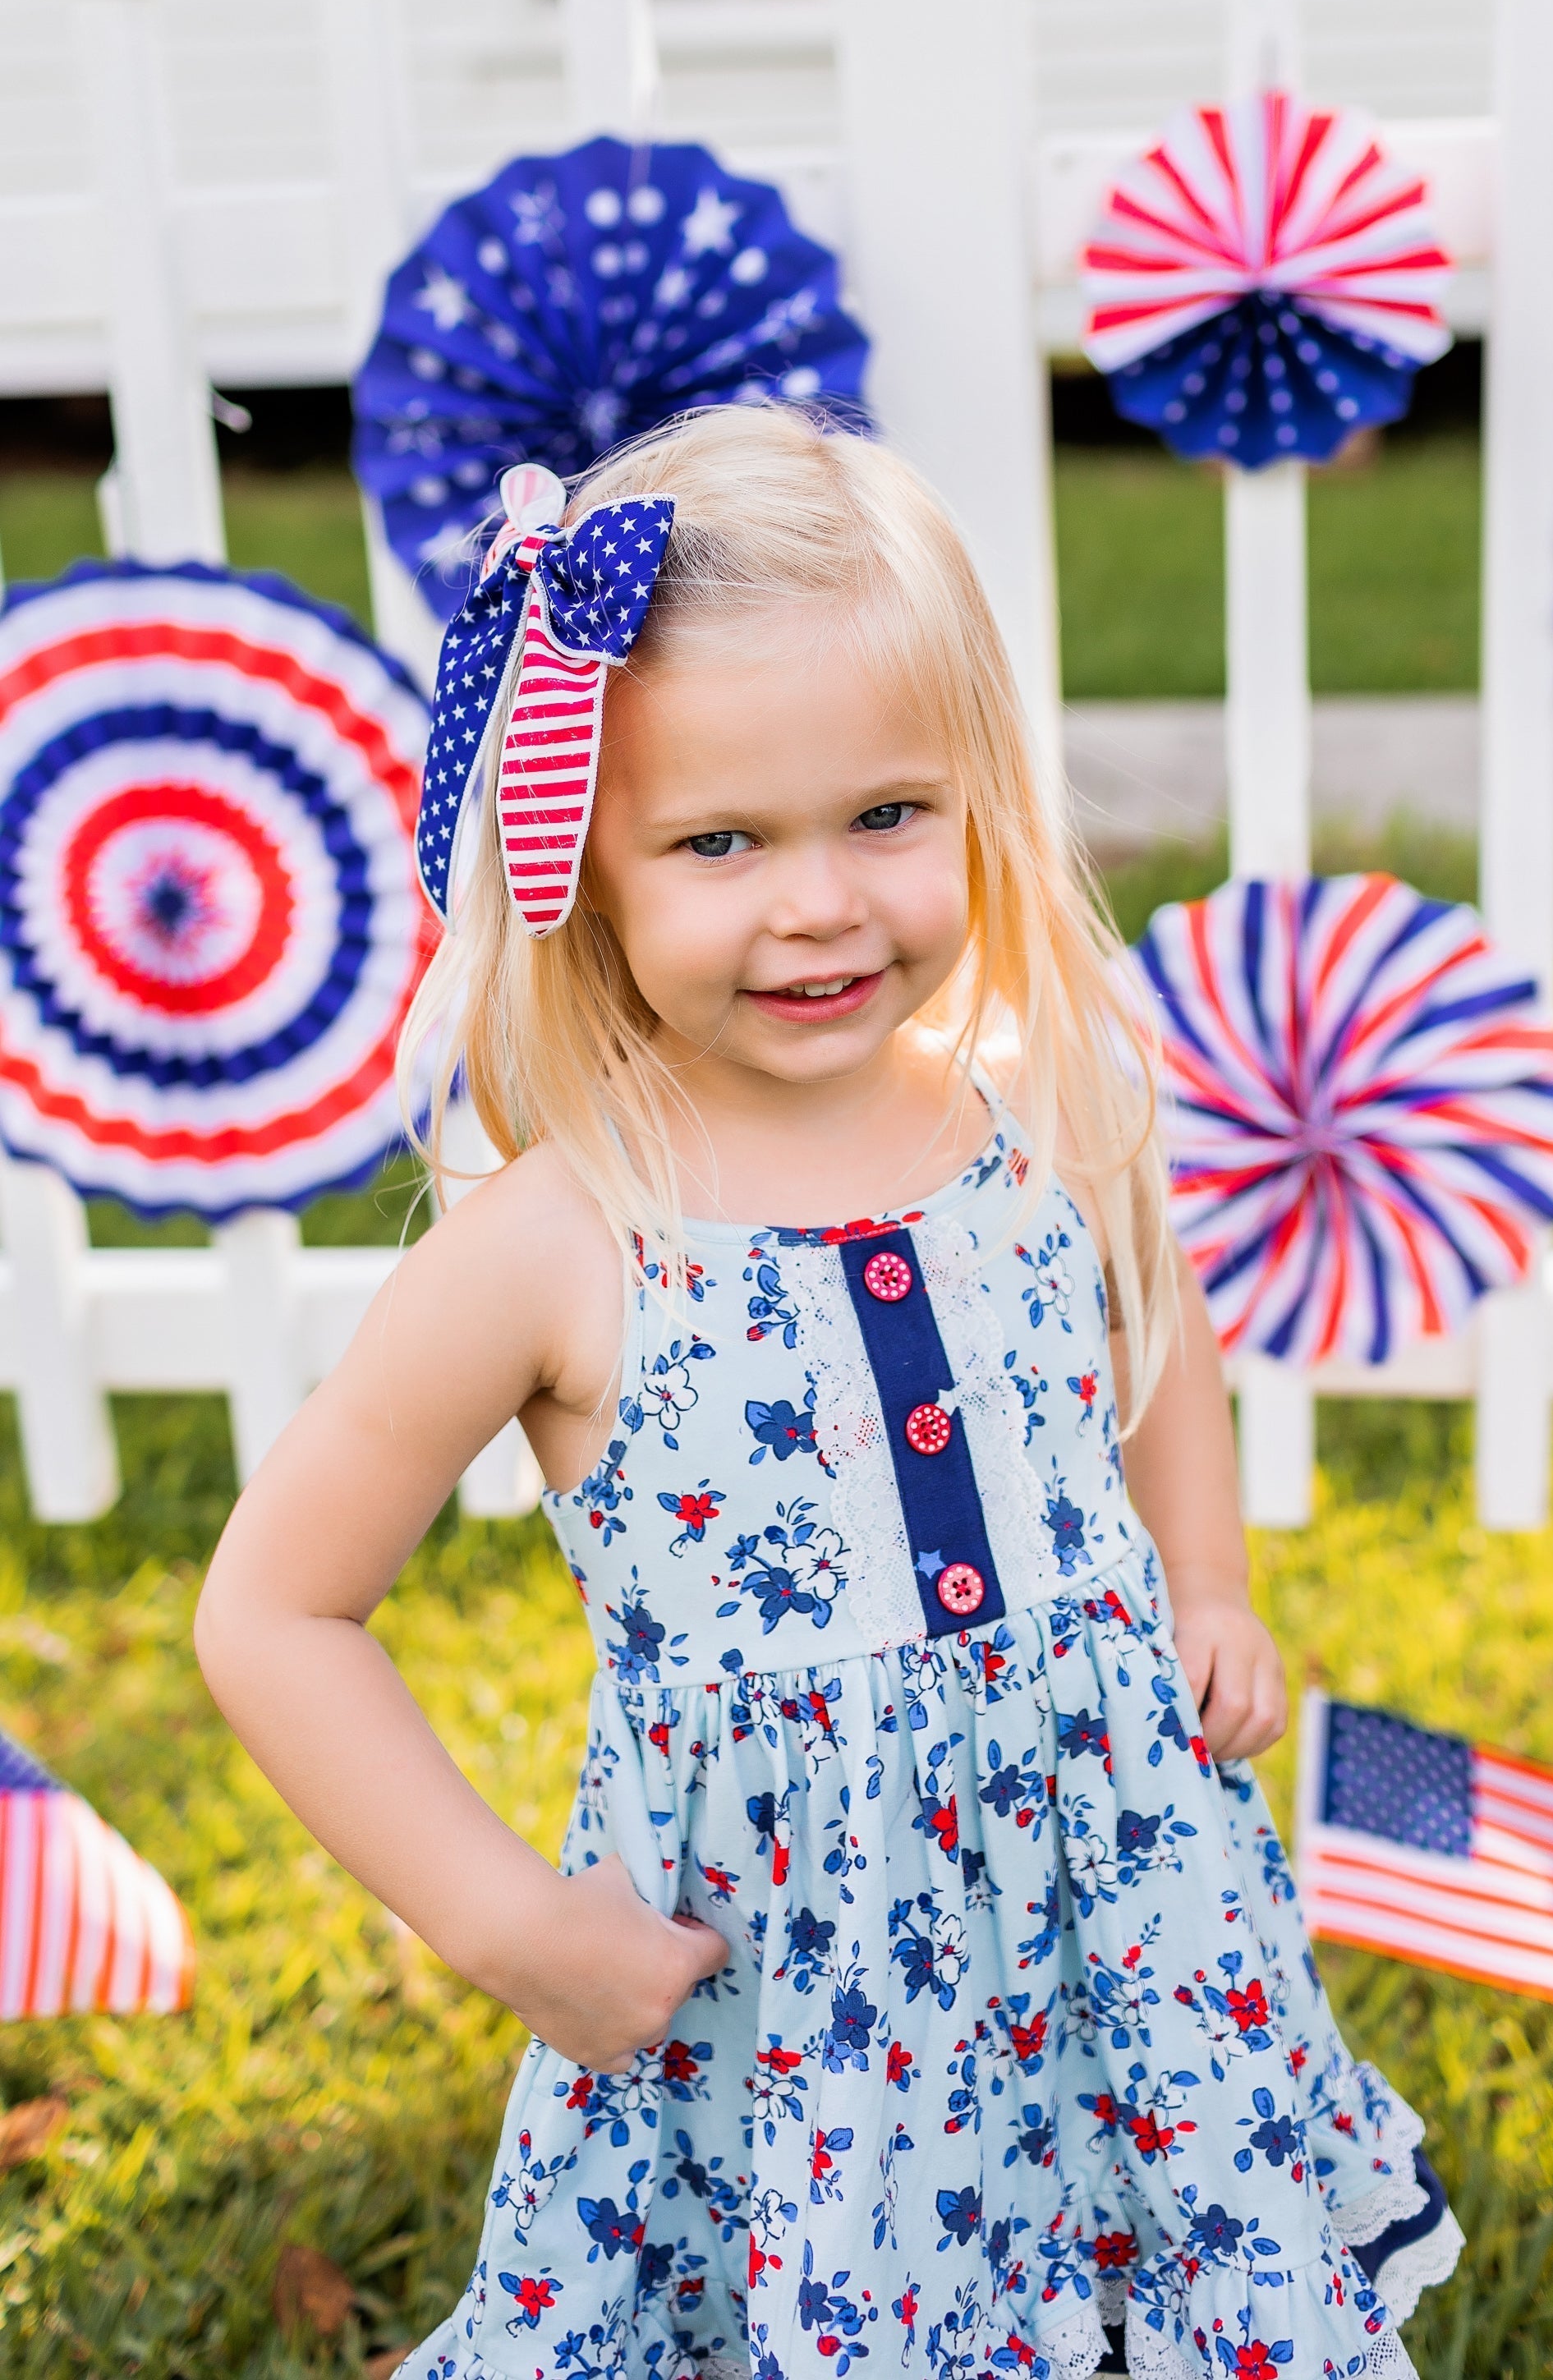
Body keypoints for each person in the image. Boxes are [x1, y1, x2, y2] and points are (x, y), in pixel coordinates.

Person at [195, 407, 1461, 2380]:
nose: (820, 904)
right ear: (589, 867)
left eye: (888, 814)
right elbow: (273, 1610)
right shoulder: (556, 1240)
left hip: (1120, 1910)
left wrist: (1203, 1582)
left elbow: (1156, 1336)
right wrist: (514, 1927)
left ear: (983, 799)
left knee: (1166, 2270)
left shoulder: (1048, 1114)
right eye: (718, 843)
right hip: (791, 2003)